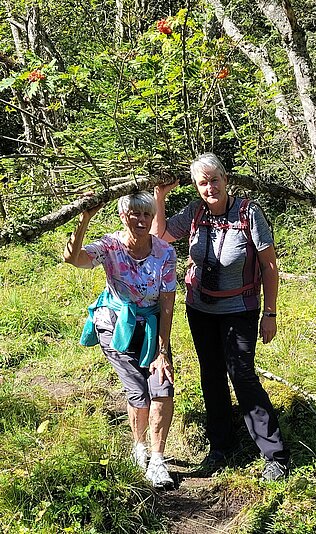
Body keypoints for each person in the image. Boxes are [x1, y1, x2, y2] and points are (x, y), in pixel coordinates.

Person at [151, 153, 289, 482]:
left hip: (240, 308)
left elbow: (269, 266)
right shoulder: (195, 213)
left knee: (241, 375)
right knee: (211, 375)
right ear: (197, 187)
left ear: (226, 180)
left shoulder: (248, 212)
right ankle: (221, 445)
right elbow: (159, 238)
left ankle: (275, 454)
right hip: (200, 309)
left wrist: (270, 312)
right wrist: (160, 197)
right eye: (203, 182)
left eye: (214, 180)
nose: (210, 187)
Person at [64, 191, 177, 489]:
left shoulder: (165, 252)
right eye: (134, 214)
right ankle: (139, 448)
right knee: (138, 390)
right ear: (122, 215)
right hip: (115, 325)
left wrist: (163, 350)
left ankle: (157, 460)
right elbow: (74, 258)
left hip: (153, 326)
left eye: (146, 215)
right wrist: (84, 217)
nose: (141, 220)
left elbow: (167, 301)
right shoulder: (110, 245)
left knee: (162, 386)